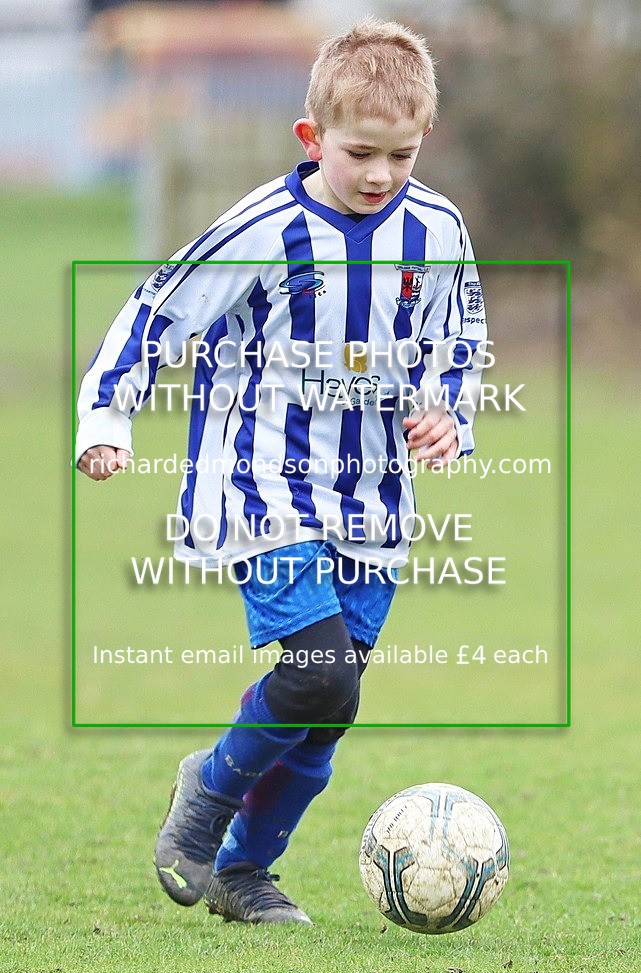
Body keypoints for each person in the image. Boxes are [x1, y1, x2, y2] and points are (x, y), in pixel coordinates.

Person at [75, 18, 487, 925]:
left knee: (330, 704)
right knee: (317, 675)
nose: (379, 174)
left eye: (401, 155)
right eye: (359, 153)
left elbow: (457, 338)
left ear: (426, 137)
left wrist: (446, 412)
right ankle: (207, 795)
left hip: (373, 496)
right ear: (312, 137)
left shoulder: (437, 228)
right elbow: (157, 312)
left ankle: (243, 872)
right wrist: (107, 418)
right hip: (261, 484)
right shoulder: (264, 226)